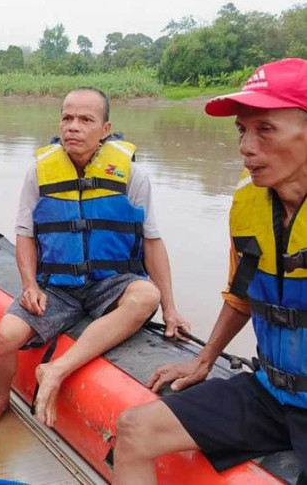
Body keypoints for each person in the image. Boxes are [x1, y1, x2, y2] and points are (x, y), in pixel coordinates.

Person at [113, 58, 307, 485]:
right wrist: (205, 359)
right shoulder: (248, 203)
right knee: (133, 430)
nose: (245, 147)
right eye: (242, 130)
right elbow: (242, 294)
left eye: (265, 129)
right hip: (271, 393)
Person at [0, 87, 190, 427]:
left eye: (85, 119)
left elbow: (152, 241)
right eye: (67, 118)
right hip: (57, 286)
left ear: (105, 129)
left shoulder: (132, 175)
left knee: (147, 295)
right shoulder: (38, 172)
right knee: (4, 336)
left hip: (112, 283)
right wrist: (29, 285)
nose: (73, 127)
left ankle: (57, 369)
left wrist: (170, 309)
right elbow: (25, 233)